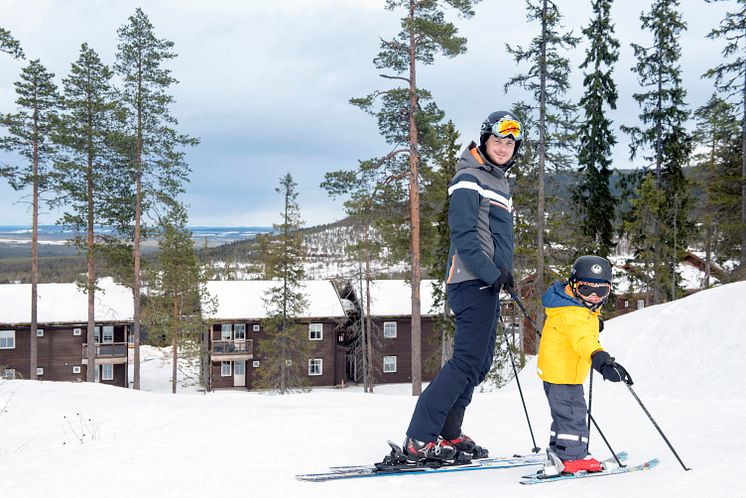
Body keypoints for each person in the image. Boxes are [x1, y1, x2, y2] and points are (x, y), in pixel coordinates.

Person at [402, 111, 523, 462]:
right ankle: (420, 439)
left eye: (510, 143)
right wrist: (491, 273)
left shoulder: (497, 180)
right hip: (471, 282)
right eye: (498, 141)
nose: (503, 148)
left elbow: (495, 236)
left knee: (480, 363)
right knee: (466, 363)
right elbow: (466, 236)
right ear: (485, 140)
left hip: (486, 283)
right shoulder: (469, 177)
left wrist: (505, 272)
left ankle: (449, 434)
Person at [537, 255, 633, 474]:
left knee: (563, 415)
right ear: (573, 285)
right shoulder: (574, 314)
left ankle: (560, 449)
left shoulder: (568, 304)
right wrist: (601, 360)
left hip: (557, 372)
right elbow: (583, 340)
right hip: (564, 375)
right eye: (586, 289)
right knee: (573, 416)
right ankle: (573, 457)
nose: (593, 296)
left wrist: (592, 320)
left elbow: (579, 328)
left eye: (601, 291)